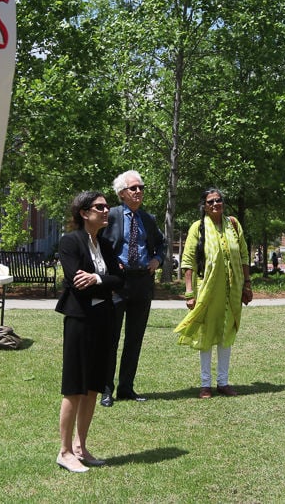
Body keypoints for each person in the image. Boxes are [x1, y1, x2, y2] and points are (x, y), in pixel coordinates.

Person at [55, 190, 124, 473]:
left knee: (94, 386)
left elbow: (120, 279)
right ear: (84, 213)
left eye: (107, 206)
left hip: (103, 319)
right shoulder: (69, 242)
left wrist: (97, 277)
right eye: (100, 207)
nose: (106, 210)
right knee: (75, 387)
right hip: (80, 319)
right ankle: (64, 451)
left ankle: (81, 446)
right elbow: (75, 281)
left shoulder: (105, 244)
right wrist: (104, 280)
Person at [175, 188, 253, 398]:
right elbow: (188, 260)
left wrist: (247, 283)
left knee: (227, 333)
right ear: (204, 205)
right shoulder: (197, 228)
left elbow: (244, 255)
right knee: (207, 335)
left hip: (232, 289)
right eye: (211, 201)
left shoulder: (233, 225)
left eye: (219, 200)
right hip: (207, 289)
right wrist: (189, 291)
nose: (216, 204)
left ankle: (223, 382)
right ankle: (205, 384)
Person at [99, 170, 165, 408]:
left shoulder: (148, 219)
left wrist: (158, 260)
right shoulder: (112, 215)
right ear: (122, 193)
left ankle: (127, 388)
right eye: (134, 188)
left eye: (141, 188)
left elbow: (161, 244)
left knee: (134, 339)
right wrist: (109, 262)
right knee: (111, 339)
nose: (139, 192)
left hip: (142, 284)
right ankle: (107, 390)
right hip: (118, 283)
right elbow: (98, 241)